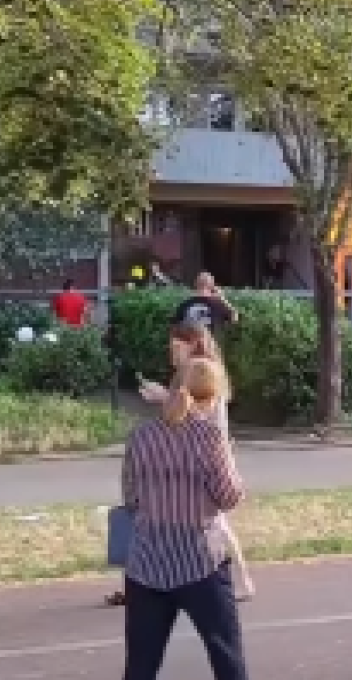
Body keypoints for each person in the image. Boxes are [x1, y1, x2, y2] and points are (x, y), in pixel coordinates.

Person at [107, 321, 256, 605]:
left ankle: (239, 580)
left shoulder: (200, 371)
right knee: (211, 521)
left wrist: (163, 397)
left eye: (176, 345)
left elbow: (196, 412)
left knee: (211, 522)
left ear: (192, 342)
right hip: (201, 449)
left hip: (204, 452)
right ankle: (240, 580)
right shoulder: (194, 370)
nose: (172, 351)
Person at [121, 357, 248, 680]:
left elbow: (131, 497)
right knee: (226, 658)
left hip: (147, 561)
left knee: (140, 666)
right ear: (213, 397)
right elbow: (229, 497)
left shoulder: (141, 436)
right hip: (200, 561)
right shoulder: (210, 437)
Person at [173, 272, 239, 332]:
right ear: (212, 286)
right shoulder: (218, 305)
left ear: (195, 285)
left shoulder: (184, 305)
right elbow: (235, 318)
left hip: (188, 344)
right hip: (210, 344)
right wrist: (222, 298)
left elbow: (174, 329)